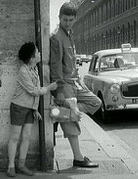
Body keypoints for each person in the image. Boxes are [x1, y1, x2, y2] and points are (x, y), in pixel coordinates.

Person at [50, 2, 101, 168]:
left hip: (75, 83)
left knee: (96, 102)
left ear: (75, 19)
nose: (68, 22)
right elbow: (56, 67)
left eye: (71, 20)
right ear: (59, 17)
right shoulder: (56, 37)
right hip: (64, 85)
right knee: (72, 124)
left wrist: (74, 107)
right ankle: (78, 158)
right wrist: (59, 93)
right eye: (65, 19)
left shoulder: (69, 34)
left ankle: (62, 113)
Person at [7, 42, 58, 177]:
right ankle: (10, 166)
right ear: (31, 58)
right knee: (14, 137)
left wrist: (35, 109)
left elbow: (33, 93)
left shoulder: (35, 69)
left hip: (29, 109)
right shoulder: (23, 71)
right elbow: (33, 91)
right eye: (37, 52)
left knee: (26, 137)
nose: (40, 54)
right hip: (18, 107)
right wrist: (49, 88)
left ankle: (21, 165)